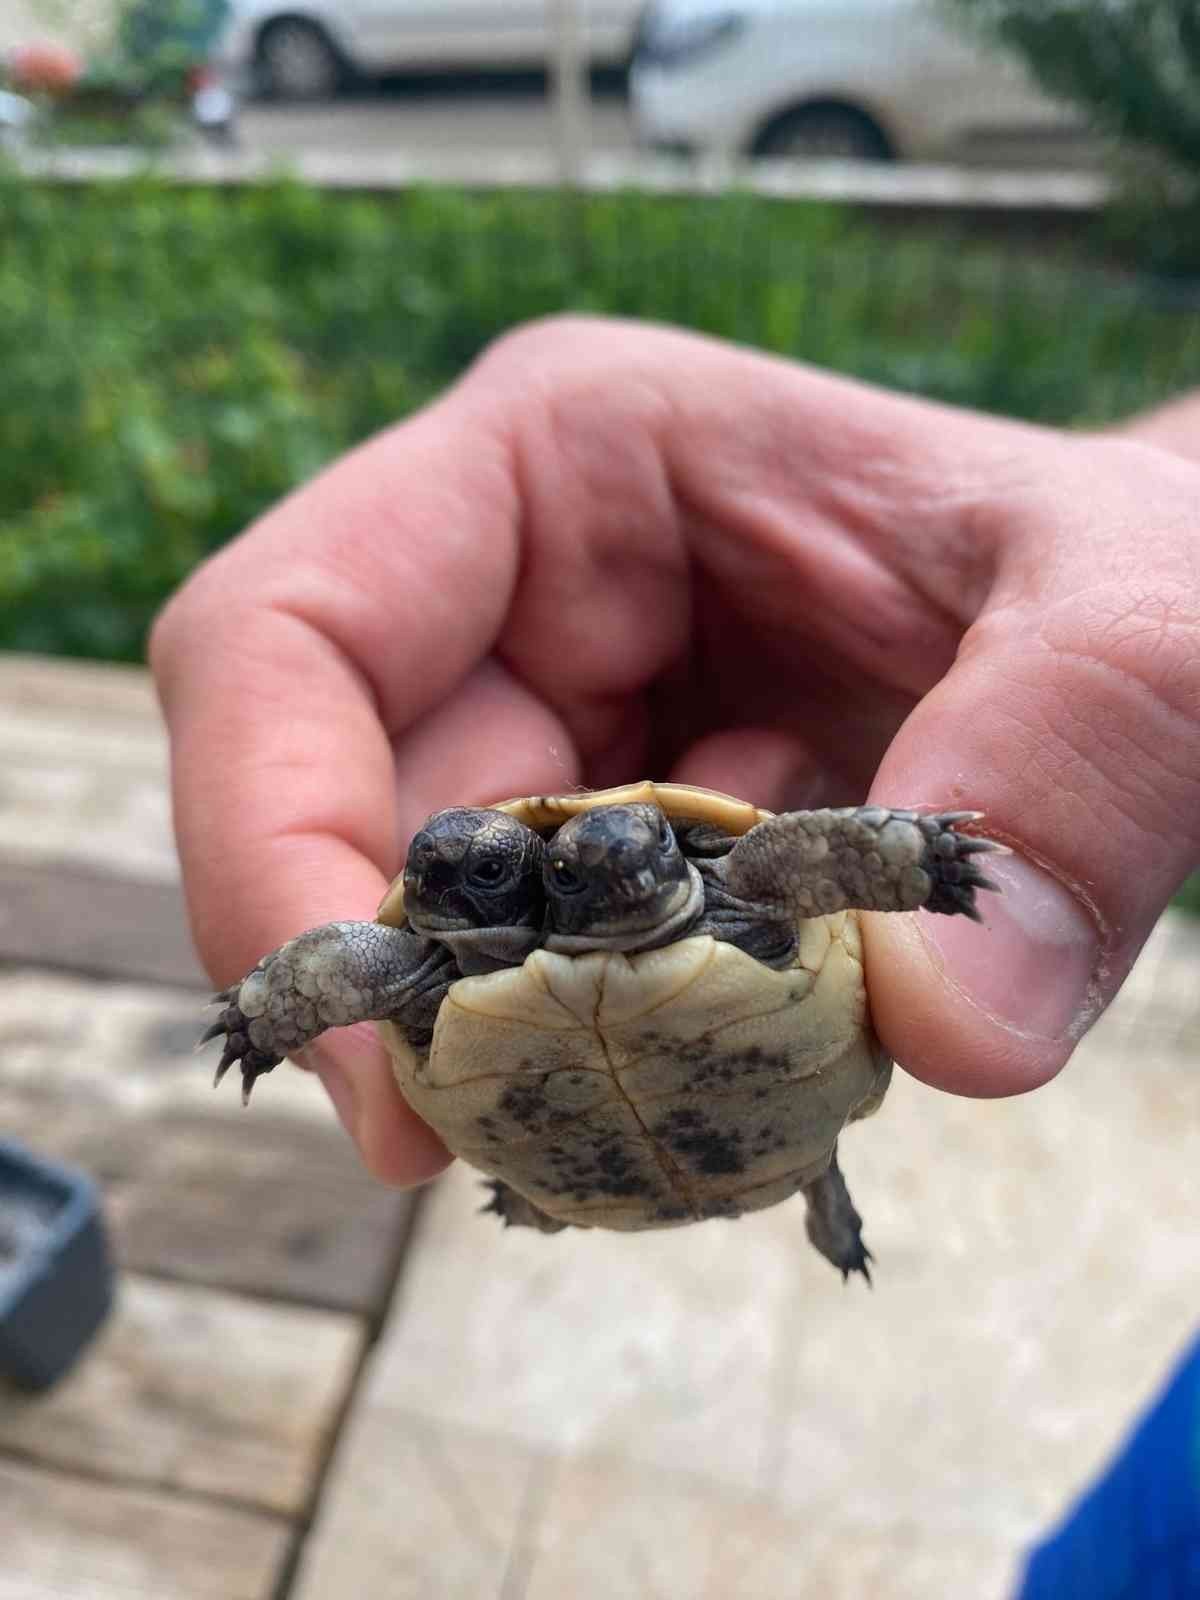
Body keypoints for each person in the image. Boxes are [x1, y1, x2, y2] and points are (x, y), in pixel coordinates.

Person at [150, 316, 1200, 1183]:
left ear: (662, 855)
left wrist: (927, 858)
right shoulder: (435, 949)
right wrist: (269, 1011)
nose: (574, 873)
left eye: (590, 862)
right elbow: (343, 960)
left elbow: (798, 858)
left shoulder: (742, 879)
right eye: (468, 874)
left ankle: (817, 1186)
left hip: (750, 1123)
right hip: (597, 1146)